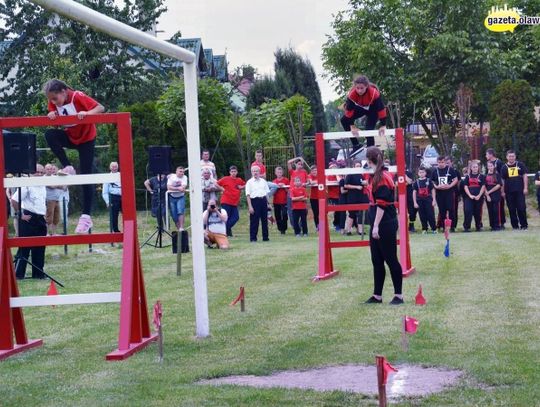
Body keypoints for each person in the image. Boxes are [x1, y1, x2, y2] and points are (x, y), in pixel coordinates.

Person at [43, 79, 105, 234]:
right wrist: (52, 115)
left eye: (55, 98)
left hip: (86, 139)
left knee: (86, 175)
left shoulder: (77, 96)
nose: (53, 102)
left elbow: (101, 107)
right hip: (71, 137)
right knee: (50, 135)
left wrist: (87, 113)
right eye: (51, 100)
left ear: (63, 92)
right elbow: (57, 122)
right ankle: (67, 166)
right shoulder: (54, 102)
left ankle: (86, 217)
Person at [364, 147, 403, 305]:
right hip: (378, 221)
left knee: (391, 259)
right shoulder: (376, 175)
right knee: (377, 260)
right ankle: (377, 295)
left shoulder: (382, 177)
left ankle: (398, 296)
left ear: (368, 160)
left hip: (384, 223)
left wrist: (375, 226)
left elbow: (381, 204)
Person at [12, 164, 47, 280]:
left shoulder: (43, 184)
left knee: (40, 247)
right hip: (28, 217)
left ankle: (38, 274)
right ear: (31, 172)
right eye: (37, 172)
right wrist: (20, 214)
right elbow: (14, 200)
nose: (40, 174)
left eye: (42, 173)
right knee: (24, 248)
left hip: (40, 218)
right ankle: (18, 274)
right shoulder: (27, 184)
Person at [340, 75, 387, 156]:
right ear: (355, 87)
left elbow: (381, 109)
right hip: (361, 108)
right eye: (357, 88)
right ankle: (356, 145)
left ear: (366, 86)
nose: (359, 90)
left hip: (373, 110)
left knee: (368, 130)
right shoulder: (352, 94)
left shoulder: (374, 93)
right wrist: (352, 126)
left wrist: (383, 125)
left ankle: (371, 156)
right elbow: (349, 111)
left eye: (362, 88)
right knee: (344, 120)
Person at [501, 150, 528, 230]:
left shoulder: (520, 164)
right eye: (509, 156)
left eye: (513, 156)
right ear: (507, 157)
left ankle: (524, 225)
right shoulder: (504, 167)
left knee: (521, 208)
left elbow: (525, 176)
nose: (511, 158)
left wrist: (525, 188)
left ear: (515, 157)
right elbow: (502, 180)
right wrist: (502, 191)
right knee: (512, 209)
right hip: (509, 192)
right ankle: (515, 226)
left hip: (520, 191)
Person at [431, 156, 459, 231]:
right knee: (442, 210)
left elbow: (456, 179)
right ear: (437, 162)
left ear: (445, 162)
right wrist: (436, 186)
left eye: (442, 162)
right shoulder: (434, 171)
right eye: (439, 162)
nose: (441, 164)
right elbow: (432, 181)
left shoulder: (450, 169)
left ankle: (452, 227)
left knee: (451, 209)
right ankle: (444, 227)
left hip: (449, 192)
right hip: (440, 193)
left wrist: (450, 186)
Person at [217, 165, 246, 237]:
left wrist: (241, 187)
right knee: (226, 217)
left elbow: (245, 185)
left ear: (237, 172)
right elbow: (216, 183)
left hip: (234, 202)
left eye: (235, 171)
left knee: (236, 217)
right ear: (230, 172)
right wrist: (222, 189)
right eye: (232, 171)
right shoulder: (225, 179)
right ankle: (227, 233)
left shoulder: (239, 180)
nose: (233, 173)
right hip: (226, 201)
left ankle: (225, 231)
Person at [245, 166, 270, 242]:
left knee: (265, 220)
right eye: (253, 171)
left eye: (257, 171)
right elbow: (248, 195)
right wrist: (250, 206)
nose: (255, 172)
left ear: (259, 172)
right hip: (254, 202)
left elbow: (266, 194)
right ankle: (253, 238)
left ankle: (265, 238)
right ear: (251, 172)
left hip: (263, 201)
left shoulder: (263, 181)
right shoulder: (249, 182)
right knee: (254, 221)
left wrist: (268, 204)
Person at [344, 161, 369, 235]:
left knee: (360, 214)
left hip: (360, 197)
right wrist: (356, 187)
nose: (358, 167)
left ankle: (360, 231)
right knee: (351, 214)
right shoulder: (350, 174)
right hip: (352, 197)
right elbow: (346, 185)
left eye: (359, 166)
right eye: (357, 166)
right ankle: (348, 230)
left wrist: (365, 184)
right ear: (353, 166)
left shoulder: (361, 175)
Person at [462, 161, 485, 232]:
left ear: (478, 168)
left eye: (476, 167)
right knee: (468, 211)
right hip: (469, 197)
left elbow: (483, 186)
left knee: (477, 212)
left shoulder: (481, 176)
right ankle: (466, 227)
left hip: (479, 197)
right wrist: (470, 195)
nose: (475, 168)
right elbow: (465, 187)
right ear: (471, 168)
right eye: (473, 167)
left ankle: (478, 226)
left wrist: (479, 195)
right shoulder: (467, 177)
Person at [486, 148, 506, 228]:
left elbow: (502, 178)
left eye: (487, 154)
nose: (486, 156)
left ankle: (501, 223)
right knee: (492, 208)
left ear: (491, 155)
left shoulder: (499, 162)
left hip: (498, 189)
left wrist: (502, 190)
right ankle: (493, 224)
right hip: (489, 191)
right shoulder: (488, 164)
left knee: (499, 207)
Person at [413, 167, 437, 234]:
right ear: (418, 173)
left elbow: (433, 190)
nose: (421, 174)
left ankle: (434, 229)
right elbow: (414, 192)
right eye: (420, 172)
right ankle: (424, 229)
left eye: (423, 172)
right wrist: (415, 202)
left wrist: (434, 200)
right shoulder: (416, 182)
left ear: (425, 173)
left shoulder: (429, 181)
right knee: (422, 215)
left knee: (430, 214)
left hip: (428, 199)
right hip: (420, 200)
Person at [44, 163, 64, 235]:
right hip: (49, 199)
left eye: (50, 169)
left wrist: (56, 185)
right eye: (48, 169)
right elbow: (51, 186)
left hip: (57, 199)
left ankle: (54, 233)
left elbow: (62, 186)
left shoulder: (54, 177)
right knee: (49, 217)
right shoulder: (44, 178)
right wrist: (56, 185)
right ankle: (47, 233)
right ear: (45, 170)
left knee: (56, 217)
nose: (49, 170)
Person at [102, 161, 122, 233]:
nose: (114, 168)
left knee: (126, 214)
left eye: (115, 166)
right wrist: (107, 201)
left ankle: (127, 229)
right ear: (110, 167)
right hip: (113, 197)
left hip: (123, 197)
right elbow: (104, 192)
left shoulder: (121, 175)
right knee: (114, 215)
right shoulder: (107, 177)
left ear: (118, 167)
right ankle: (115, 230)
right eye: (113, 166)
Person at [167, 166, 188, 230]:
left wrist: (179, 188)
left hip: (180, 197)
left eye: (183, 172)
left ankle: (181, 228)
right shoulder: (171, 176)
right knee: (174, 214)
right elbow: (168, 187)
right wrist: (178, 188)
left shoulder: (185, 177)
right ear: (176, 171)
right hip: (172, 197)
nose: (182, 173)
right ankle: (178, 228)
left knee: (180, 211)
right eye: (180, 171)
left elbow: (183, 187)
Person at [484, 161, 503, 231]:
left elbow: (498, 185)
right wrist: (487, 194)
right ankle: (492, 226)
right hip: (488, 195)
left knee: (496, 210)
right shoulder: (485, 175)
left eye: (491, 166)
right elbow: (483, 186)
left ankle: (497, 225)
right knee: (490, 210)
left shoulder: (497, 175)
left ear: (494, 166)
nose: (490, 167)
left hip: (496, 194)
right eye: (489, 166)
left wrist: (489, 192)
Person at [446, 156, 461, 231]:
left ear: (452, 163)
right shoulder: (442, 171)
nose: (447, 164)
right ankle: (442, 225)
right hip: (444, 193)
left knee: (454, 209)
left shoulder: (456, 171)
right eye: (446, 163)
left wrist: (458, 194)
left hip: (453, 193)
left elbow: (458, 183)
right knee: (443, 210)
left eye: (448, 163)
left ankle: (453, 226)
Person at [272, 166, 289, 234]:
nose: (279, 173)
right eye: (278, 172)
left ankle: (284, 229)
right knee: (277, 216)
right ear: (275, 173)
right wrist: (277, 186)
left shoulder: (286, 180)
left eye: (280, 172)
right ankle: (280, 229)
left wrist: (284, 186)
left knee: (284, 215)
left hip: (284, 201)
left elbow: (289, 191)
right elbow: (272, 193)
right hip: (276, 202)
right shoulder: (274, 181)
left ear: (282, 173)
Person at [326, 162, 341, 231]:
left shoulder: (339, 175)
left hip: (340, 195)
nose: (334, 169)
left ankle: (339, 224)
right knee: (337, 210)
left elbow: (340, 181)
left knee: (340, 210)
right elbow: (327, 182)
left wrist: (337, 174)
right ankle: (336, 224)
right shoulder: (328, 175)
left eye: (335, 167)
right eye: (332, 168)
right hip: (332, 196)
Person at [307, 166, 321, 231]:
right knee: (316, 213)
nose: (314, 172)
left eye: (315, 170)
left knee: (322, 213)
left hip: (321, 197)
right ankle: (317, 226)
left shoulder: (321, 175)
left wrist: (316, 181)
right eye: (313, 171)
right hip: (313, 198)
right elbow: (311, 182)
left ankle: (322, 226)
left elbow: (325, 180)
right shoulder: (309, 176)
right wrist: (319, 181)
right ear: (311, 171)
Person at [405, 168, 417, 232]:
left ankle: (411, 226)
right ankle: (402, 226)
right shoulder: (396, 173)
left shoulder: (409, 173)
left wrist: (403, 174)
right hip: (399, 195)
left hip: (409, 194)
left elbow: (409, 181)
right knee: (401, 212)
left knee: (412, 211)